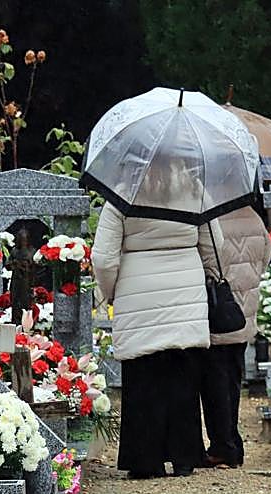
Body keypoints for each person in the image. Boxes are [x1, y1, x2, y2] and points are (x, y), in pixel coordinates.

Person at [91, 187, 217, 479]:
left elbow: (104, 258)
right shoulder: (195, 189)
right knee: (184, 377)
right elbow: (214, 245)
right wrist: (206, 275)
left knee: (142, 377)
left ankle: (145, 459)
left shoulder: (122, 193)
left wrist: (111, 292)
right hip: (186, 285)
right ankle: (184, 456)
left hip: (138, 288)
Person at [199, 204, 270, 467]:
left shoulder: (208, 217)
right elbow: (266, 256)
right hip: (242, 311)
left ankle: (223, 445)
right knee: (232, 380)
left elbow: (207, 262)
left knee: (214, 383)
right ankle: (233, 444)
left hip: (217, 310)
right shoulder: (252, 215)